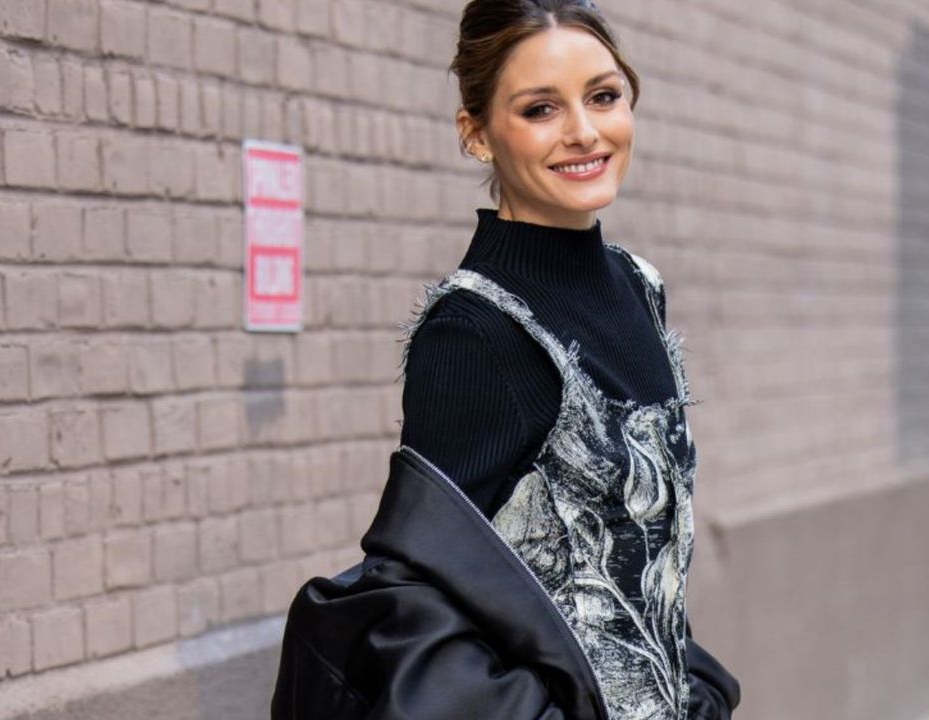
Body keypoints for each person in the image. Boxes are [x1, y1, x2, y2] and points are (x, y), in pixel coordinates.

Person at [272, 2, 741, 718]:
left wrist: (691, 682)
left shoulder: (639, 289)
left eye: (603, 96)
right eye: (540, 109)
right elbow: (411, 589)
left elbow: (633, 553)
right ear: (478, 135)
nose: (584, 131)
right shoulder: (478, 331)